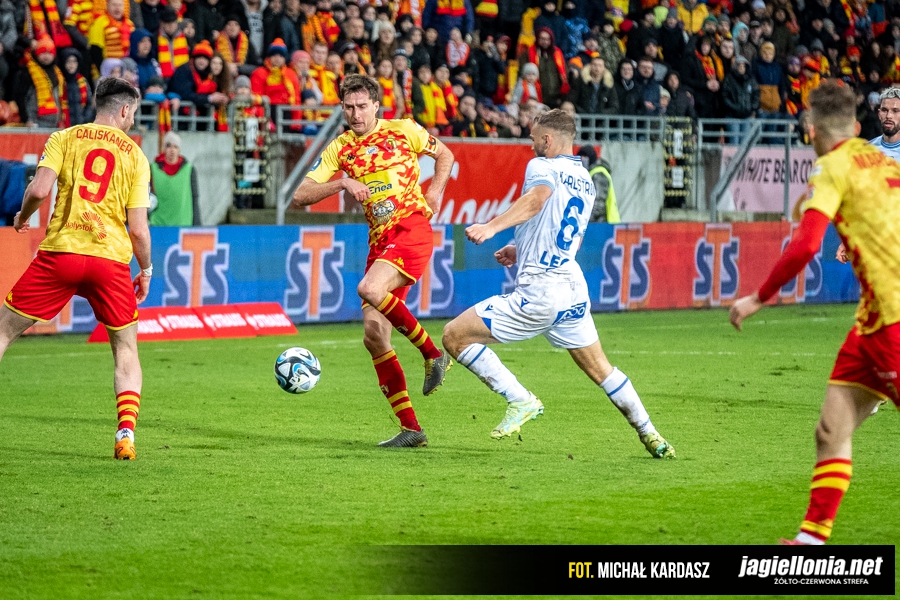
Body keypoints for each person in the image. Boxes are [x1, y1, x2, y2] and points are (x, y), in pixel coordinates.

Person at [441, 109, 674, 458]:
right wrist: (520, 248)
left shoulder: (542, 166)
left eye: (534, 138)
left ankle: (520, 399)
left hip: (541, 291)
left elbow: (537, 200)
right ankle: (650, 433)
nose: (531, 144)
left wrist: (491, 227)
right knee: (602, 369)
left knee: (454, 336)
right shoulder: (586, 179)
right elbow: (564, 233)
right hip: (572, 288)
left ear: (548, 140)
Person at [729, 82, 900, 545]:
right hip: (873, 322)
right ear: (858, 126)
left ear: (811, 131)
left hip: (894, 321)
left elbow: (806, 245)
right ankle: (811, 543)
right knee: (830, 429)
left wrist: (758, 297)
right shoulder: (879, 158)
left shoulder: (831, 166)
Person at [291, 74, 454, 448]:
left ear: (376, 106)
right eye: (348, 107)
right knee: (374, 336)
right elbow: (300, 194)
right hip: (380, 244)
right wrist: (341, 183)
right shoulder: (340, 148)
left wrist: (435, 192)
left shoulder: (403, 130)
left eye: (362, 106)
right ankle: (411, 429)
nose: (355, 114)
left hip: (411, 228)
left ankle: (433, 354)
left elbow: (445, 154)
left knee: (368, 287)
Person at [0, 78, 151, 461]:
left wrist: (22, 217)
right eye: (133, 112)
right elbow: (138, 229)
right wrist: (146, 269)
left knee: (2, 332)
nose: (133, 119)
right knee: (125, 349)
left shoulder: (64, 138)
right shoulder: (136, 157)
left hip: (61, 254)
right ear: (124, 110)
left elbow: (38, 190)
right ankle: (125, 434)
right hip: (110, 262)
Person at [150, 131, 201, 226]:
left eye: (175, 146)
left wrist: (197, 225)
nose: (172, 150)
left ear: (179, 150)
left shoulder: (189, 169)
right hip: (158, 225)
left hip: (183, 225)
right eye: (168, 146)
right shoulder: (153, 169)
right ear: (164, 148)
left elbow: (195, 197)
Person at [576, 145, 620, 223]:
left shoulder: (598, 173)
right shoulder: (588, 174)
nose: (582, 160)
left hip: (602, 224)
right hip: (600, 223)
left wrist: (586, 223)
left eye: (584, 157)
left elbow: (598, 205)